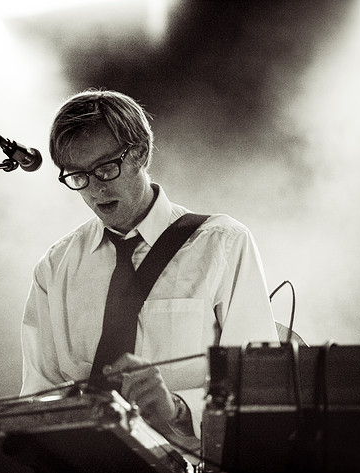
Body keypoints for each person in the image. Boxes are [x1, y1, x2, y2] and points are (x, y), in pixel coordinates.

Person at [19, 89, 279, 453]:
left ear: (140, 152)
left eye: (106, 169)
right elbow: (39, 394)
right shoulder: (55, 266)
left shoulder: (222, 243)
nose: (95, 189)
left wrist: (177, 408)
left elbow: (258, 391)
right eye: (78, 177)